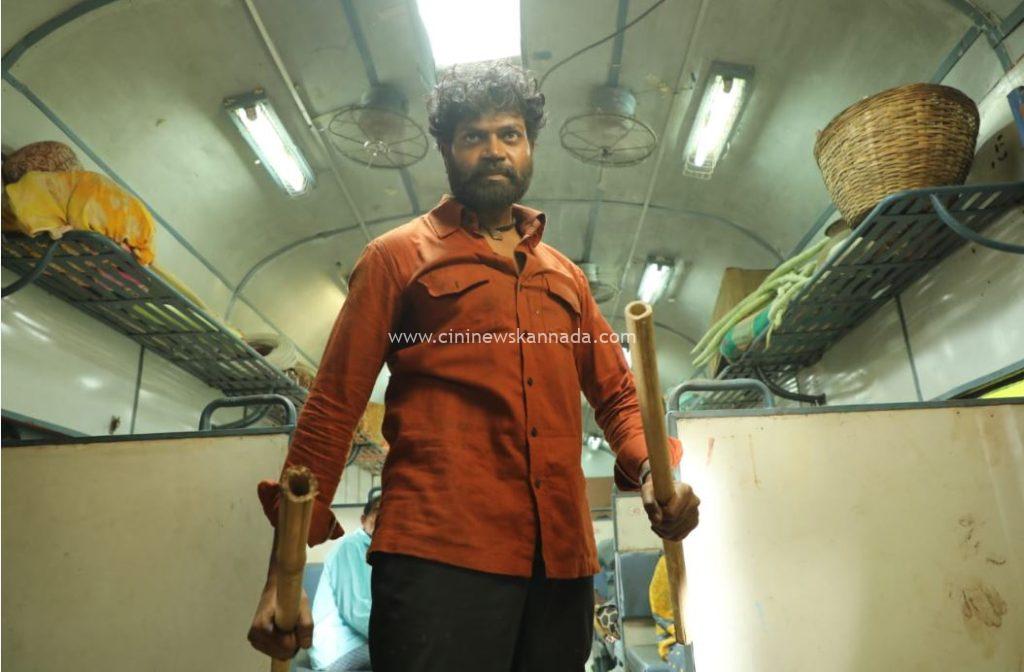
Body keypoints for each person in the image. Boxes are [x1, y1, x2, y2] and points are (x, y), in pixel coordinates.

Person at [247, 61, 700, 672]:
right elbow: (332, 408)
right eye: (473, 136)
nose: (494, 150)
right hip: (437, 561)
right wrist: (283, 576)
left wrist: (654, 473)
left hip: (561, 568)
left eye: (510, 134)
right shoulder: (395, 258)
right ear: (446, 149)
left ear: (530, 147)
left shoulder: (566, 277)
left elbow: (619, 397)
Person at [308, 494, 381, 671]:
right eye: (377, 512)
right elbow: (357, 611)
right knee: (404, 652)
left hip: (354, 642)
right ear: (363, 520)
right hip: (337, 649)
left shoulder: (376, 553)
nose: (382, 518)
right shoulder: (351, 547)